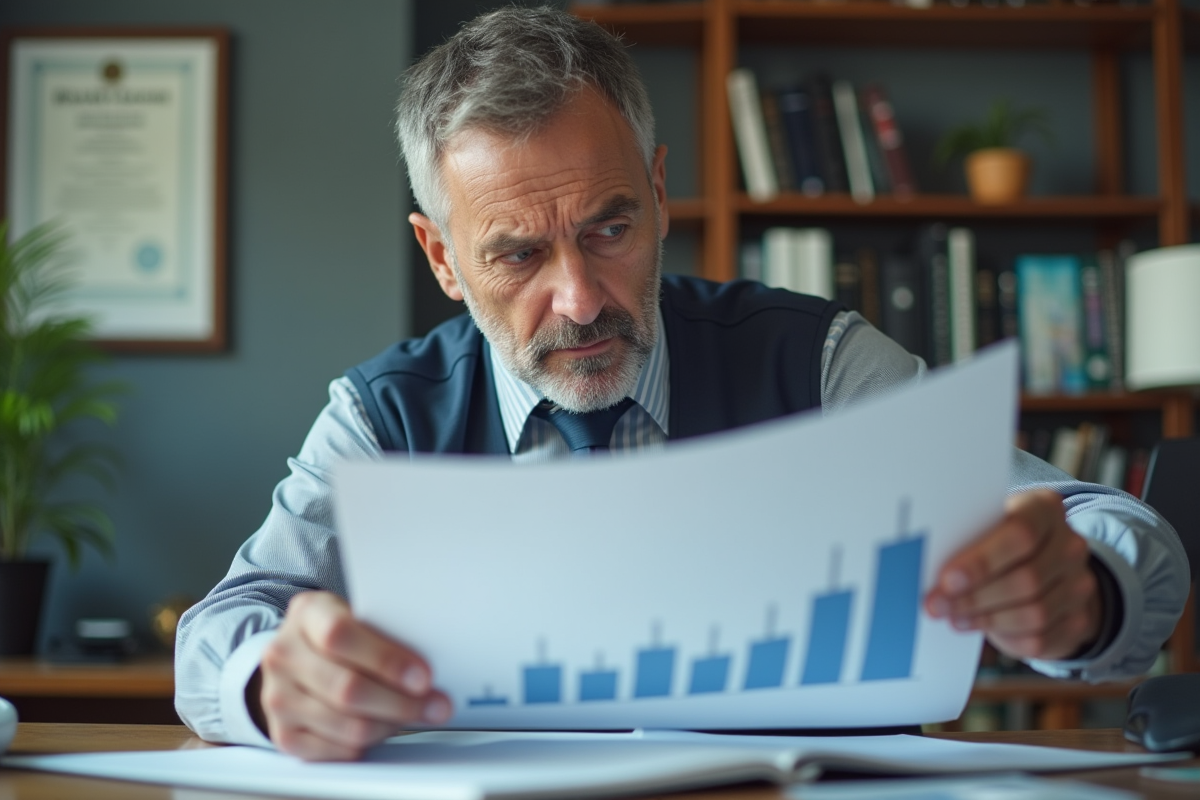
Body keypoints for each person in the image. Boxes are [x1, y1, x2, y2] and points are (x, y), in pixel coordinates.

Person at [175, 6, 1189, 761]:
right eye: (517, 256)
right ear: (442, 258)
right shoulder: (382, 413)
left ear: (660, 192)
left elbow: (1105, 523)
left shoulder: (820, 360)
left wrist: (1085, 586)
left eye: (610, 227)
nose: (579, 299)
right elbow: (222, 626)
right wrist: (270, 680)